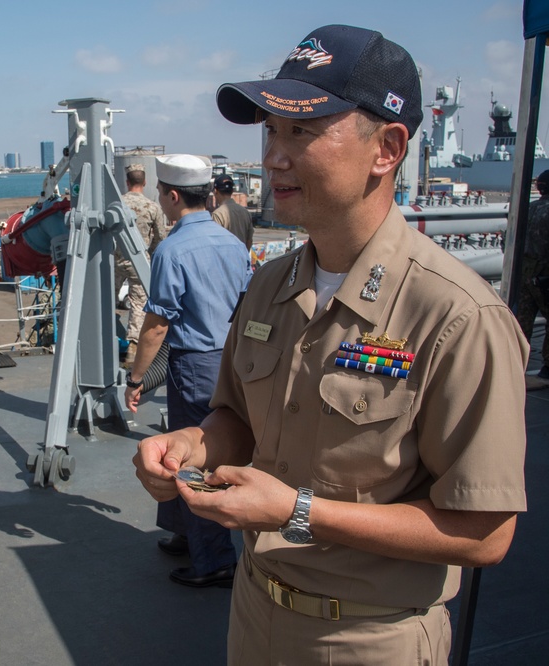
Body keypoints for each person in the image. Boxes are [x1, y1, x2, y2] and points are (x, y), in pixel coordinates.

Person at [133, 24, 527, 664]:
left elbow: (483, 533)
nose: (272, 157)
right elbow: (234, 416)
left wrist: (296, 512)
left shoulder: (456, 315)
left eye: (302, 131)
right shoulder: (269, 286)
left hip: (370, 637)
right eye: (270, 131)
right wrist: (189, 446)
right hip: (254, 610)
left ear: (387, 148)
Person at [124, 154, 251, 588]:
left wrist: (137, 378)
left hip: (194, 366)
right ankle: (185, 533)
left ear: (173, 195)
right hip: (231, 360)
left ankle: (214, 559)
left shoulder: (172, 250)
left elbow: (156, 326)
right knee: (205, 447)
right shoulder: (233, 244)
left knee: (191, 460)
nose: (160, 200)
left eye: (161, 193)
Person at [117, 163, 167, 367]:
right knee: (138, 304)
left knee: (105, 300)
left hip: (114, 259)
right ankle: (132, 348)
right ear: (144, 183)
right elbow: (161, 238)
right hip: (139, 261)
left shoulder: (116, 204)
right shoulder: (152, 207)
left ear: (127, 182)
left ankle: (103, 341)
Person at [517, 169, 549, 379]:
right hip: (545, 277)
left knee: (521, 322)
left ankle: (514, 363)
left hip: (522, 275)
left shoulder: (525, 210)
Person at [208, 173, 253, 250]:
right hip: (242, 259)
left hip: (225, 260)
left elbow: (215, 243)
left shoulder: (218, 214)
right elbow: (249, 240)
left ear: (216, 191)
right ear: (232, 191)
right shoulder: (245, 212)